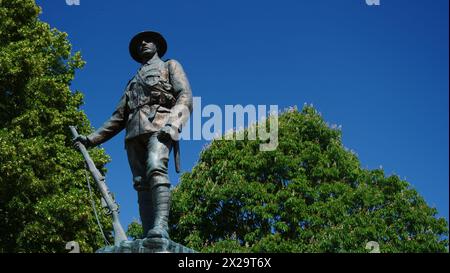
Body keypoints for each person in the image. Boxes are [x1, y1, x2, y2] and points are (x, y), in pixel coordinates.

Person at [74, 31, 193, 240]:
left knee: (156, 167)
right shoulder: (132, 82)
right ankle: (150, 234)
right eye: (140, 43)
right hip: (133, 134)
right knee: (140, 182)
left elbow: (185, 96)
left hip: (160, 125)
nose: (143, 44)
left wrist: (173, 124)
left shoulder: (169, 66)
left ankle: (161, 227)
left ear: (158, 45)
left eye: (148, 41)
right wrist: (91, 139)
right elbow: (118, 117)